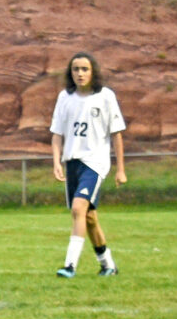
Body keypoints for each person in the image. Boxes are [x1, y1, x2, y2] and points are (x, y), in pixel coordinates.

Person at [50, 51, 126, 279]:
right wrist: (56, 162)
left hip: (94, 163)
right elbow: (56, 133)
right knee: (89, 217)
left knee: (78, 209)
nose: (80, 74)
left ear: (93, 72)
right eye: (76, 69)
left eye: (85, 69)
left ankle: (70, 266)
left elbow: (117, 134)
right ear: (70, 72)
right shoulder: (65, 97)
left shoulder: (105, 97)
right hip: (72, 162)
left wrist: (121, 169)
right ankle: (108, 265)